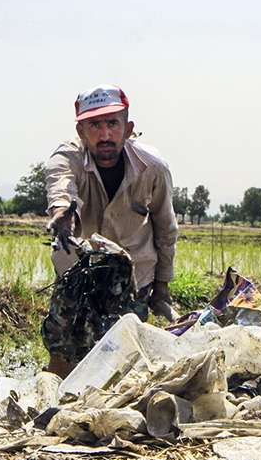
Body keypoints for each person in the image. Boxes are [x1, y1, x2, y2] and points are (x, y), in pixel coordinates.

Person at [43, 84, 179, 374]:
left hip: (133, 277)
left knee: (123, 361)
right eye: (94, 125)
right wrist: (61, 211)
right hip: (80, 274)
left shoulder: (152, 168)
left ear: (127, 128)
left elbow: (166, 228)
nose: (105, 135)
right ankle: (56, 406)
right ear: (81, 131)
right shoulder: (68, 157)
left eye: (112, 124)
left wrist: (162, 288)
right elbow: (60, 183)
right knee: (63, 350)